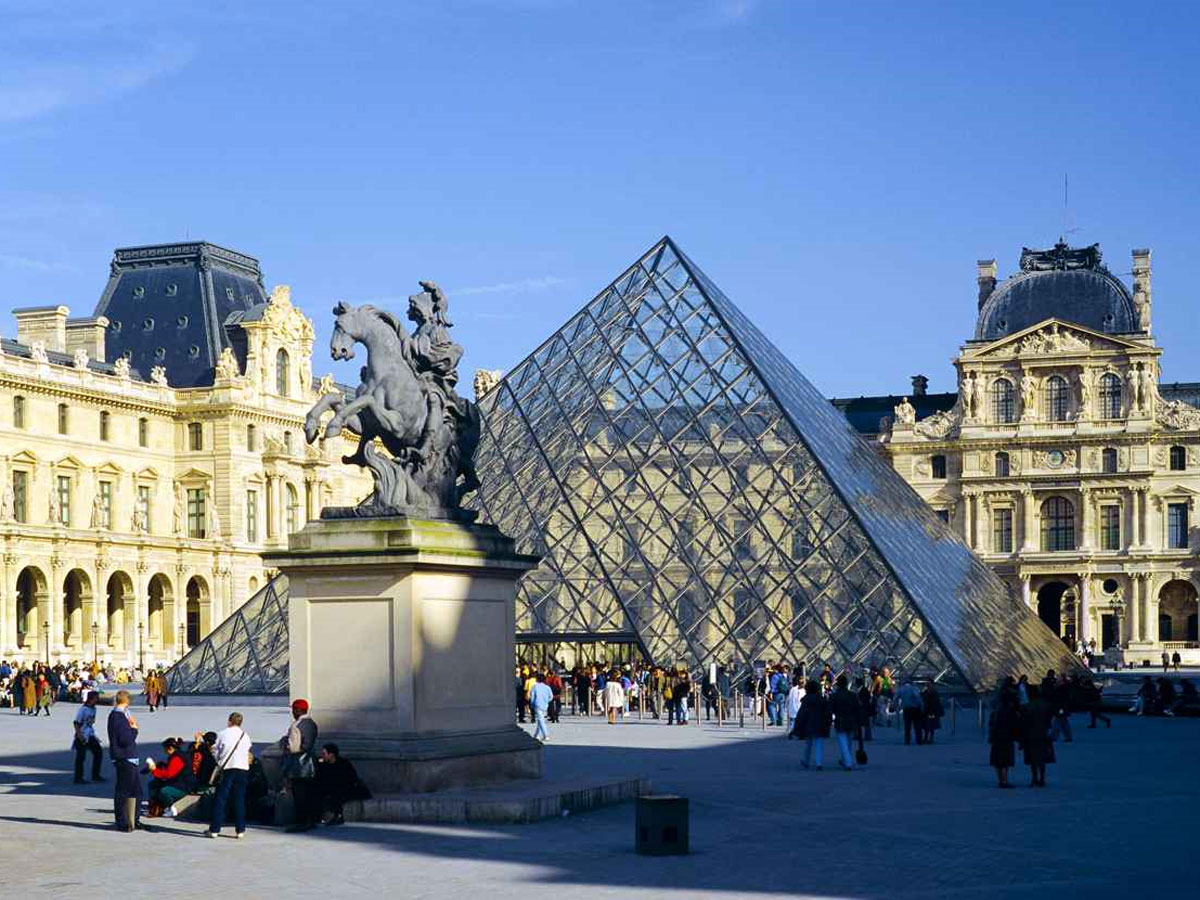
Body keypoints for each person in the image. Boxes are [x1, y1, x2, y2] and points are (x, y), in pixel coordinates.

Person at [208, 712, 251, 839]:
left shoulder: (222, 734)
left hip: (228, 768)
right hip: (243, 769)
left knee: (221, 799)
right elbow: (247, 751)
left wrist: (218, 759)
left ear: (229, 721)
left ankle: (215, 829)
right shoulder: (245, 736)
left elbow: (216, 751)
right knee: (239, 799)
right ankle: (240, 829)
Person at [280, 698, 320, 832]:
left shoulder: (297, 725)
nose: (292, 712)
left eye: (293, 709)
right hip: (310, 764)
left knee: (299, 795)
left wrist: (285, 744)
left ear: (298, 710)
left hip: (299, 765)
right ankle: (311, 819)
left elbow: (294, 747)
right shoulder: (312, 724)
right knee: (309, 794)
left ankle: (302, 821)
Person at [106, 690, 143, 832]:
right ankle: (121, 821)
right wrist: (134, 729)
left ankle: (134, 819)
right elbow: (125, 740)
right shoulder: (118, 717)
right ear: (127, 701)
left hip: (128, 757)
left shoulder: (118, 715)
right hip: (125, 757)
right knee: (123, 791)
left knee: (137, 791)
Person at [315, 744, 369, 826]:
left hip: (348, 788)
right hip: (330, 788)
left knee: (335, 791)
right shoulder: (324, 765)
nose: (322, 756)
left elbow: (351, 778)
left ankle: (338, 816)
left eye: (324, 754)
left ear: (331, 755)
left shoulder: (343, 763)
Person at [1019, 684, 1054, 787]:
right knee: (1042, 757)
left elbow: (1024, 721)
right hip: (1043, 733)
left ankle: (1034, 778)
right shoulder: (1045, 705)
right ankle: (1042, 778)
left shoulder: (1028, 707)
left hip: (1031, 733)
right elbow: (1049, 717)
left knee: (1033, 758)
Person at [146, 738, 189, 817]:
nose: (164, 751)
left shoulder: (177, 758)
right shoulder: (175, 755)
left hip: (183, 787)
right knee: (153, 784)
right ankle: (155, 807)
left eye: (165, 748)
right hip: (177, 783)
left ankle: (171, 808)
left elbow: (168, 775)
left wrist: (154, 770)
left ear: (170, 748)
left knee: (164, 791)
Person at [796, 680, 830, 770]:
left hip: (808, 725)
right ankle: (819, 763)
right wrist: (828, 723)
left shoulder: (806, 700)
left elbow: (801, 714)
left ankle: (806, 760)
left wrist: (798, 725)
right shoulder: (822, 699)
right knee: (819, 744)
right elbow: (827, 713)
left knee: (808, 744)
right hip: (820, 724)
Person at [72, 691, 105, 784]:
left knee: (98, 753)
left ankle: (96, 775)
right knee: (81, 757)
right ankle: (78, 778)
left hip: (90, 734)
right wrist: (80, 735)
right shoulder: (83, 709)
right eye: (96, 698)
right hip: (82, 735)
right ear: (91, 699)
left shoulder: (94, 709)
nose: (98, 699)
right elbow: (76, 723)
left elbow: (91, 722)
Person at [988, 689, 1019, 789]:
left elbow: (991, 724)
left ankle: (1000, 780)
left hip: (997, 737)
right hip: (1007, 737)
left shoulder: (996, 712)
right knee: (1005, 761)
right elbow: (1015, 725)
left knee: (998, 760)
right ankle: (1004, 781)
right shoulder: (1010, 712)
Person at [828, 675, 859, 770]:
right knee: (849, 742)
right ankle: (845, 759)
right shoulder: (853, 695)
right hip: (851, 721)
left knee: (843, 743)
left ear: (838, 684)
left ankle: (848, 762)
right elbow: (857, 709)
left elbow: (830, 710)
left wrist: (829, 721)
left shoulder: (834, 696)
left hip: (840, 721)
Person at [895, 678, 923, 745]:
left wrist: (897, 706)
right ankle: (919, 740)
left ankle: (907, 740)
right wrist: (920, 705)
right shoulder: (915, 688)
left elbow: (895, 698)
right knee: (917, 725)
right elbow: (918, 697)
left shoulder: (901, 689)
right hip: (916, 709)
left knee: (907, 725)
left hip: (907, 709)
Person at [530, 672, 553, 741]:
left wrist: (532, 704)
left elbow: (532, 697)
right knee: (541, 719)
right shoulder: (547, 687)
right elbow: (551, 697)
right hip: (545, 705)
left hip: (537, 705)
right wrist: (547, 701)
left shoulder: (535, 686)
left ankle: (546, 734)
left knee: (541, 720)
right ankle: (536, 735)